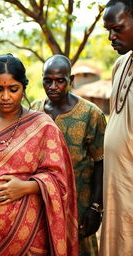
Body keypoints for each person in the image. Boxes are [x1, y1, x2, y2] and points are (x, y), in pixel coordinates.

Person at [0, 53, 78, 256]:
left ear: (23, 88)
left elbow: (61, 180)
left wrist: (26, 187)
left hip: (31, 235)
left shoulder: (42, 125)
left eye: (13, 89)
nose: (5, 97)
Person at [31, 54, 106, 256]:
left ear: (70, 80)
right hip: (42, 206)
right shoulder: (34, 111)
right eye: (48, 80)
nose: (53, 86)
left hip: (79, 208)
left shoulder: (91, 114)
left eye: (60, 80)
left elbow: (101, 162)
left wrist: (96, 208)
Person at [101, 1, 133, 255]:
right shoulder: (120, 65)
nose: (111, 36)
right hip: (116, 189)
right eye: (107, 30)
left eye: (117, 28)